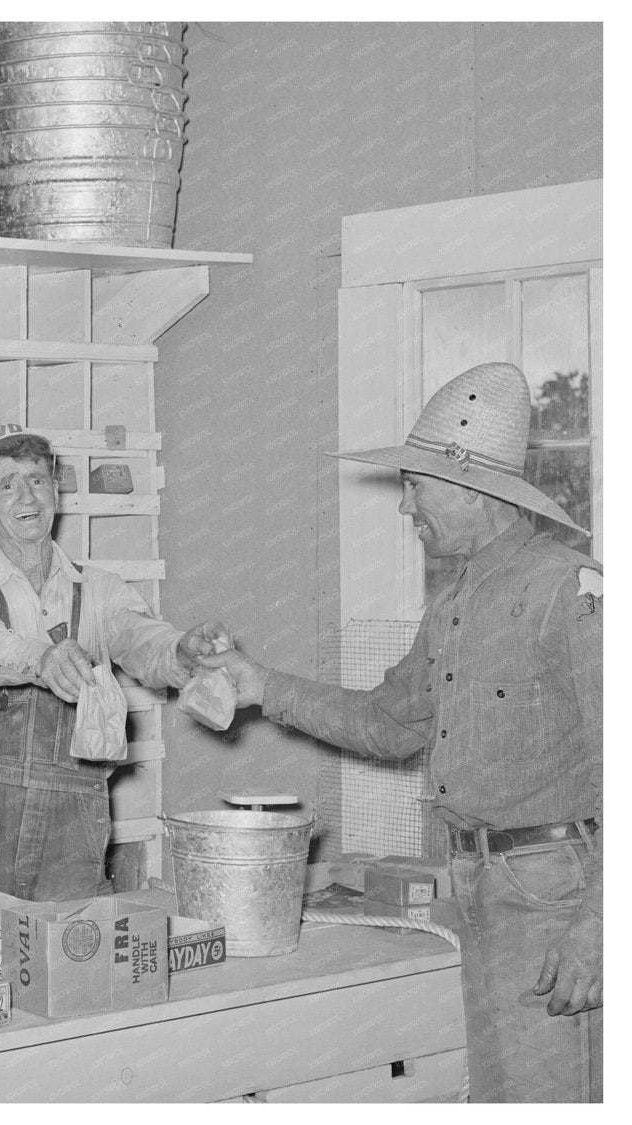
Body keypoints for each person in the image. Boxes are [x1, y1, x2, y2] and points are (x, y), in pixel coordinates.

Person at [202, 362, 601, 1102]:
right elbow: (389, 724)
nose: (405, 504)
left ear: (470, 485)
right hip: (482, 882)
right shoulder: (455, 602)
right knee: (509, 1090)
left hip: (555, 893)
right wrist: (262, 685)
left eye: (416, 483)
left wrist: (602, 926)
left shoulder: (566, 589)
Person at [0, 424, 231, 900]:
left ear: (55, 493)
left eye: (37, 479)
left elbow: (137, 636)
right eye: (7, 484)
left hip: (72, 821)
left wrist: (178, 650)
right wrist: (42, 659)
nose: (26, 494)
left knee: (76, 952)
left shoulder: (100, 590)